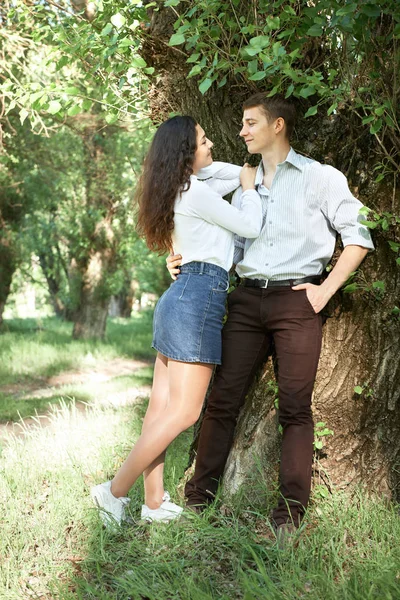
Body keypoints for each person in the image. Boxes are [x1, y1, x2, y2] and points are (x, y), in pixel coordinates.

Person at [167, 93, 374, 541]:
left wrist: (325, 290)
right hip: (244, 299)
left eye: (250, 123)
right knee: (222, 402)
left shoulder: (320, 177)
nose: (241, 132)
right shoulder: (237, 176)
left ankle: (289, 515)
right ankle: (198, 501)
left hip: (297, 301)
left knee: (295, 408)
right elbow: (183, 197)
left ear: (277, 126)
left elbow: (358, 236)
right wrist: (175, 253)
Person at [91, 115, 263, 527]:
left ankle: (153, 503)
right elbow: (250, 226)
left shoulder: (184, 188)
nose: (211, 146)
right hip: (198, 299)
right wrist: (250, 187)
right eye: (204, 141)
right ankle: (113, 492)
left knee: (159, 411)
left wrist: (238, 174)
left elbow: (224, 171)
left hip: (180, 297)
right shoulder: (195, 192)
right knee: (184, 413)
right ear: (187, 154)